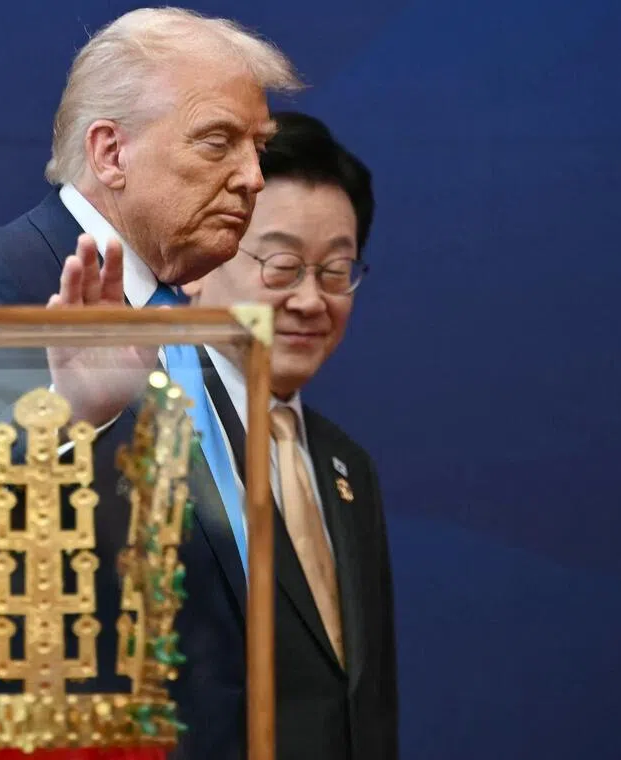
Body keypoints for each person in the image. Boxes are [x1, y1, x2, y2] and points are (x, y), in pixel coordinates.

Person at [0, 8, 300, 760]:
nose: (252, 177)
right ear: (110, 152)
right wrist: (66, 416)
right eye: (218, 142)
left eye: (258, 148)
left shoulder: (186, 316)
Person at [181, 111, 398, 759]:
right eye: (281, 266)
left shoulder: (345, 464)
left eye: (336, 271)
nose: (311, 300)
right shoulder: (144, 442)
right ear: (199, 263)